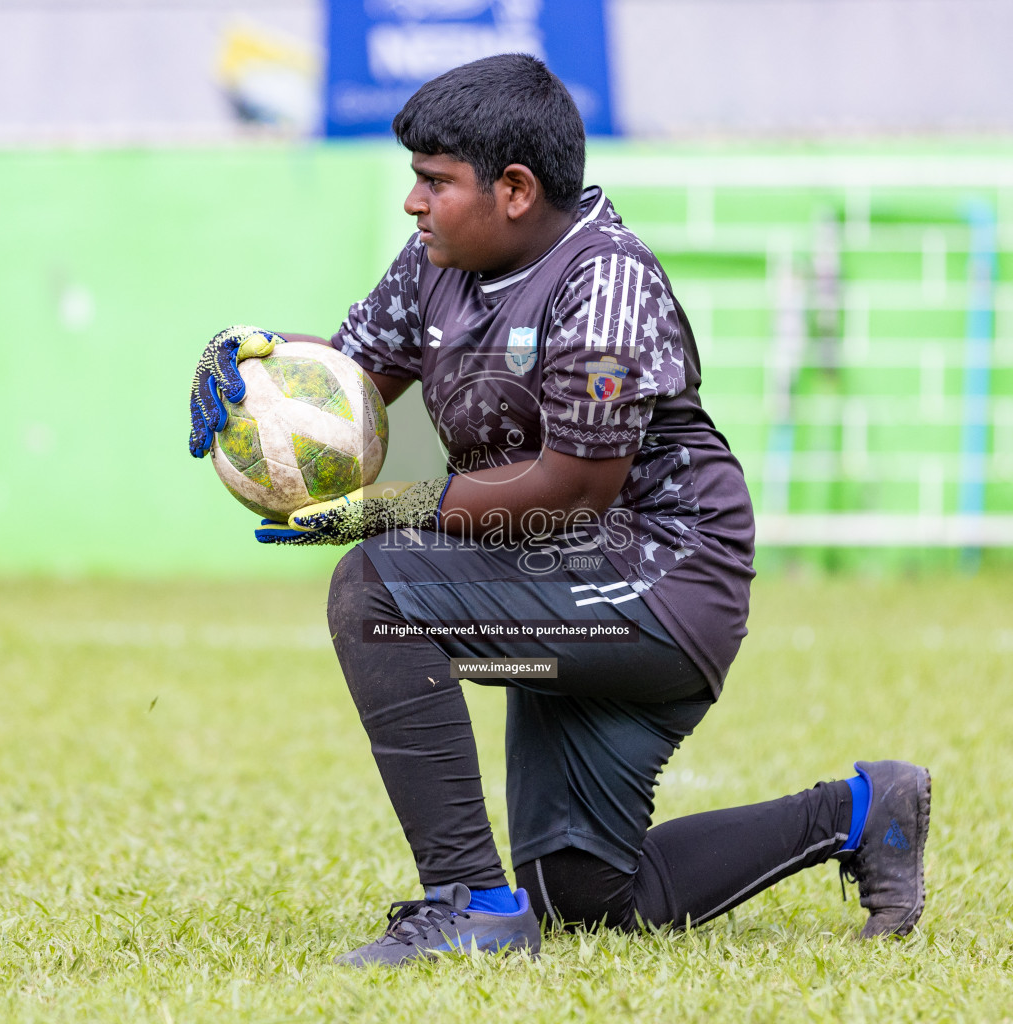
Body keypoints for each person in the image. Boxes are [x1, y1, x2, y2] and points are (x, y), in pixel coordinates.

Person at [186, 54, 930, 967]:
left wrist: (391, 512)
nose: (413, 204)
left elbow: (577, 486)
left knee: (376, 593)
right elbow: (343, 391)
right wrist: (248, 364)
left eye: (433, 182)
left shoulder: (607, 281)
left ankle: (469, 906)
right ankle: (864, 810)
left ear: (514, 188)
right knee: (582, 892)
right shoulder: (435, 268)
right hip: (557, 587)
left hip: (659, 585)